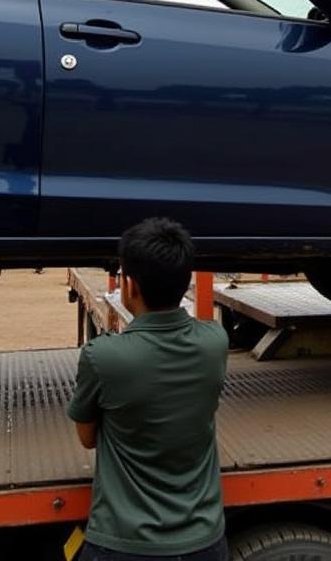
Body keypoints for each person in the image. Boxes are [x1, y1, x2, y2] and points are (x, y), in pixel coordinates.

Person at [67, 218, 229, 561]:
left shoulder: (103, 357)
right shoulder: (215, 342)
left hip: (122, 543)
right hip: (205, 542)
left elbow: (86, 437)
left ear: (129, 285)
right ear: (185, 280)